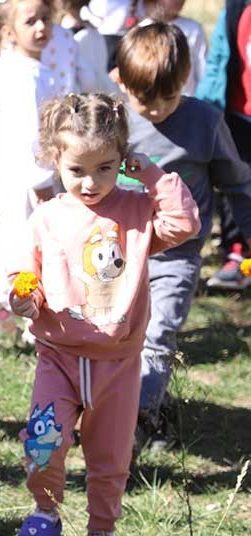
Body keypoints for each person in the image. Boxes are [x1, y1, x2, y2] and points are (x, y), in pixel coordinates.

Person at [7, 93, 198, 536]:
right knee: (43, 441)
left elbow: (185, 223)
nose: (91, 183)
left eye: (106, 168)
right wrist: (24, 300)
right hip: (59, 356)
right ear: (55, 160)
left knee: (111, 456)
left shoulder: (136, 212)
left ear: (122, 160)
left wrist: (150, 173)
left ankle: (102, 532)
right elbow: (22, 274)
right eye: (77, 170)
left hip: (118, 361)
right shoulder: (48, 217)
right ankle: (45, 511)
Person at [111, 24, 251, 451]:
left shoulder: (205, 122)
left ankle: (140, 420)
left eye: (167, 98)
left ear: (186, 75)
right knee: (116, 335)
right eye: (142, 100)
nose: (154, 110)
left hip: (178, 256)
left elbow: (236, 185)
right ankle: (123, 408)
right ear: (121, 80)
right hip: (116, 254)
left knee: (159, 334)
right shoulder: (112, 120)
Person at [0, 0, 62, 338]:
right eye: (31, 21)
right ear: (11, 32)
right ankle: (21, 310)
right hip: (25, 179)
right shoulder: (27, 76)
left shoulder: (10, 67)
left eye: (45, 19)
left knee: (8, 241)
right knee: (27, 245)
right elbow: (32, 132)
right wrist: (43, 181)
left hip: (5, 175)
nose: (41, 27)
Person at [196, 0, 251, 291]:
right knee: (235, 183)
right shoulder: (236, 8)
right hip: (239, 115)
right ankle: (237, 253)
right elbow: (218, 59)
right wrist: (207, 106)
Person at [139, 0, 206, 94]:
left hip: (187, 99)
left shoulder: (194, 28)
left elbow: (201, 67)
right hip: (152, 99)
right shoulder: (142, 29)